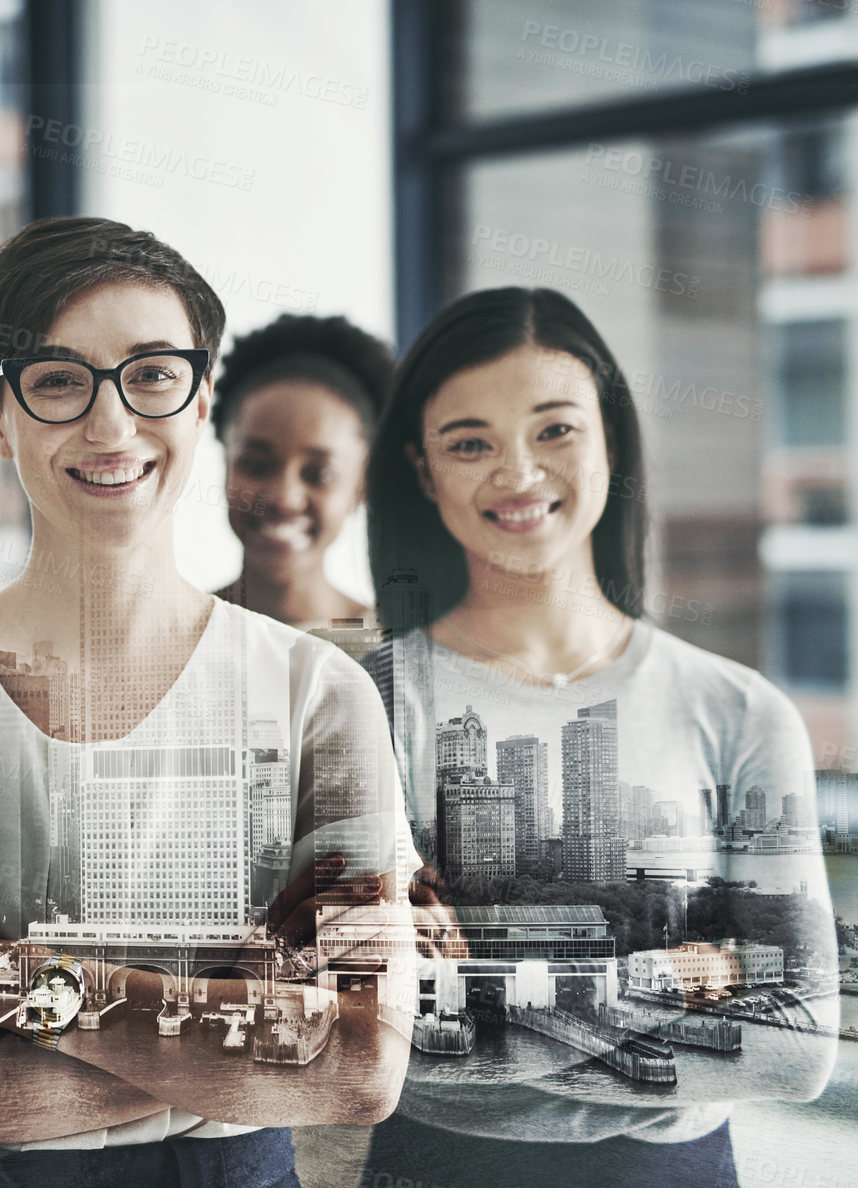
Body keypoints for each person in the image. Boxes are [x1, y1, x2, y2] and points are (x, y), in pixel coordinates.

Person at [0, 216, 413, 1186]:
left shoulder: (318, 694)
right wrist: (228, 1042)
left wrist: (12, 982)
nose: (110, 426)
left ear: (202, 401)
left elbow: (357, 1067)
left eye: (151, 375)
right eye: (60, 381)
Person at [356, 286, 838, 1187]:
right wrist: (674, 979)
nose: (518, 473)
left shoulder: (739, 710)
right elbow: (371, 1033)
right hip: (434, 1169)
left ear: (610, 439)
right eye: (471, 443)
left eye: (555, 429)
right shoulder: (365, 702)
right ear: (423, 471)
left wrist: (482, 1014)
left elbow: (799, 1048)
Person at [212, 314, 394, 629]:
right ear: (227, 462)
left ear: (363, 486)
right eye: (255, 465)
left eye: (320, 474)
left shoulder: (398, 660)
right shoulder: (169, 642)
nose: (284, 498)